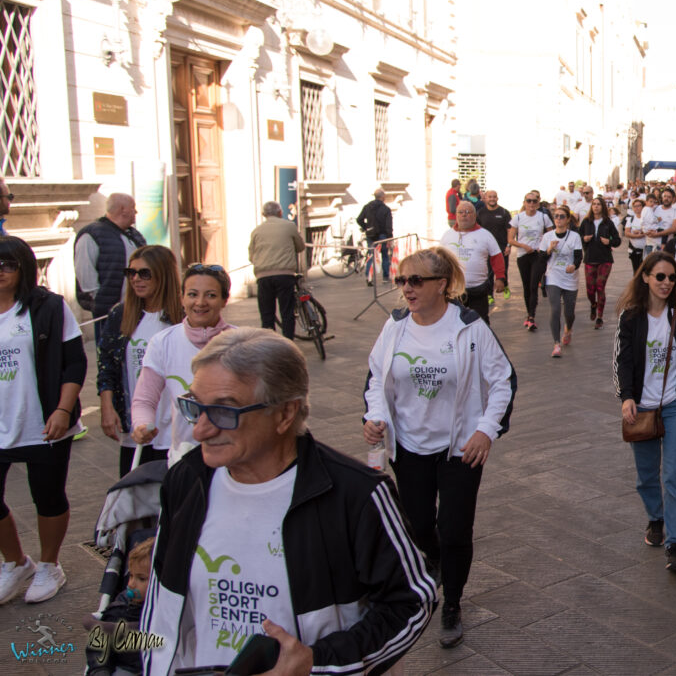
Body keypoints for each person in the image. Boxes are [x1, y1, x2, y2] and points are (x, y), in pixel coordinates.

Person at [142, 328, 435, 674]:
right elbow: (160, 605)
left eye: (224, 412)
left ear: (284, 414)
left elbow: (411, 602)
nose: (200, 430)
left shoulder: (356, 495)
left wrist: (319, 663)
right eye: (195, 406)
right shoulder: (184, 482)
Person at [363, 247, 515, 649]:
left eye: (415, 281)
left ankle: (451, 601)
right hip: (409, 447)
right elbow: (376, 379)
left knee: (454, 529)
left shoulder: (469, 326)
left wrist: (485, 430)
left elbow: (502, 381)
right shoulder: (394, 327)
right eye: (401, 280)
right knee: (417, 525)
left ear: (441, 284)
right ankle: (432, 568)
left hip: (459, 449)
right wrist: (375, 417)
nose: (406, 289)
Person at [0, 236, 86, 604]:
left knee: (47, 496)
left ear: (24, 268)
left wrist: (63, 411)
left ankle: (50, 565)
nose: (0, 272)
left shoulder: (48, 307)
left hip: (43, 420)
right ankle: (16, 562)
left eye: (7, 265)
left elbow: (74, 361)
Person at [614, 251, 676, 573]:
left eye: (671, 278)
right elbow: (622, 361)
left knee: (674, 475)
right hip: (642, 407)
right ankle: (656, 518)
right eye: (660, 277)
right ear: (646, 277)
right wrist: (626, 397)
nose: (667, 283)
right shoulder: (631, 316)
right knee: (646, 476)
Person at [130, 264, 234, 466]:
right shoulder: (163, 342)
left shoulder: (242, 342)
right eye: (193, 294)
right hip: (183, 457)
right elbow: (144, 399)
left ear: (224, 300)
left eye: (211, 295)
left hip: (232, 457)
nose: (200, 303)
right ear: (182, 298)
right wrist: (142, 424)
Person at [98, 246, 184, 477]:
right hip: (137, 425)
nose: (136, 279)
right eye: (131, 273)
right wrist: (107, 407)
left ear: (163, 274)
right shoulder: (121, 314)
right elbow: (106, 365)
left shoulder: (184, 316)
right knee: (135, 497)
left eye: (144, 273)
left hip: (177, 424)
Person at [74, 193, 146, 347]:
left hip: (137, 308)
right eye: (133, 208)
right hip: (110, 312)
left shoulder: (133, 235)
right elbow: (85, 274)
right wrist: (100, 301)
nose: (136, 213)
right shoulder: (92, 234)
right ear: (123, 210)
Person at [84, 537, 154, 675]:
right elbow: (100, 641)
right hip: (127, 667)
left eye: (141, 579)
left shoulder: (170, 609)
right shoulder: (121, 607)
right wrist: (100, 668)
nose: (131, 584)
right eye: (131, 576)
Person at [441, 201, 506, 324]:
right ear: (456, 215)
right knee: (454, 323)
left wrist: (500, 278)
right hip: (454, 290)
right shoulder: (447, 236)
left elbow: (497, 257)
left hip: (478, 289)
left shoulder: (485, 235)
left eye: (468, 212)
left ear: (474, 216)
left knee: (480, 322)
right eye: (461, 212)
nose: (464, 215)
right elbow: (439, 259)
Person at [248, 201, 305, 338]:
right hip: (285, 274)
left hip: (264, 276)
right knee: (287, 312)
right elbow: (300, 247)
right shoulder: (289, 226)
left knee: (267, 314)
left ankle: (270, 344)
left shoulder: (257, 231)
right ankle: (288, 342)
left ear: (263, 214)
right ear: (280, 213)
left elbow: (251, 256)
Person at [542, 205, 583, 357]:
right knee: (555, 309)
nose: (558, 219)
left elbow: (579, 257)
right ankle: (556, 344)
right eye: (556, 216)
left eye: (561, 216)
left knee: (569, 312)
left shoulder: (574, 237)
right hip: (553, 276)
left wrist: (574, 266)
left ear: (567, 220)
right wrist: (549, 250)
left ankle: (569, 328)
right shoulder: (547, 237)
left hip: (570, 277)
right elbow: (541, 259)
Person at [509, 191, 552, 331]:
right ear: (524, 203)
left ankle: (532, 316)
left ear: (538, 203)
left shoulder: (543, 217)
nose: (531, 204)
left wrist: (544, 247)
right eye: (529, 201)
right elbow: (510, 239)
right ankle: (528, 314)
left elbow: (551, 234)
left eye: (534, 201)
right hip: (523, 255)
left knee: (534, 285)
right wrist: (523, 246)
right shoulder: (518, 218)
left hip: (537, 255)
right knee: (526, 286)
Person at [579, 195, 621, 329]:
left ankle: (599, 317)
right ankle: (593, 304)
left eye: (598, 204)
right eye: (594, 204)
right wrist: (584, 238)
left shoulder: (608, 222)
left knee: (600, 286)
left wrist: (609, 242)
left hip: (605, 259)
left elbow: (617, 240)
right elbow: (577, 237)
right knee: (590, 289)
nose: (596, 206)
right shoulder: (586, 222)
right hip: (590, 258)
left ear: (603, 207)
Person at [477, 190, 513, 300]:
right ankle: (489, 294)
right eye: (490, 197)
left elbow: (510, 230)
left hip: (501, 247)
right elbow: (477, 231)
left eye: (494, 197)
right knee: (487, 271)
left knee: (503, 269)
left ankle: (505, 286)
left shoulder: (504, 212)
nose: (492, 199)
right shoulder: (480, 213)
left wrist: (508, 245)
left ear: (497, 198)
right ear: (485, 198)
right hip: (486, 248)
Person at [356, 188, 394, 284]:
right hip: (383, 235)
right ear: (383, 197)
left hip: (371, 235)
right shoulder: (386, 209)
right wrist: (390, 238)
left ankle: (369, 277)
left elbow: (359, 219)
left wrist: (366, 228)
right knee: (385, 255)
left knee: (371, 255)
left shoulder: (367, 206)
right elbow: (388, 225)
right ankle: (385, 277)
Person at [644, 188, 676, 257]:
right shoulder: (655, 208)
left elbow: (674, 228)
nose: (666, 198)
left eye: (669, 197)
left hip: (665, 246)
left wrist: (656, 234)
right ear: (662, 197)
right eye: (665, 196)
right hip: (651, 245)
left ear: (673, 199)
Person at [623, 198, 647, 273]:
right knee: (636, 271)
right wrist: (636, 235)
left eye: (638, 206)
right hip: (634, 251)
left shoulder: (646, 218)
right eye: (635, 206)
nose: (636, 208)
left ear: (643, 207)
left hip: (646, 250)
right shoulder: (631, 219)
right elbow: (627, 233)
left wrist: (641, 232)